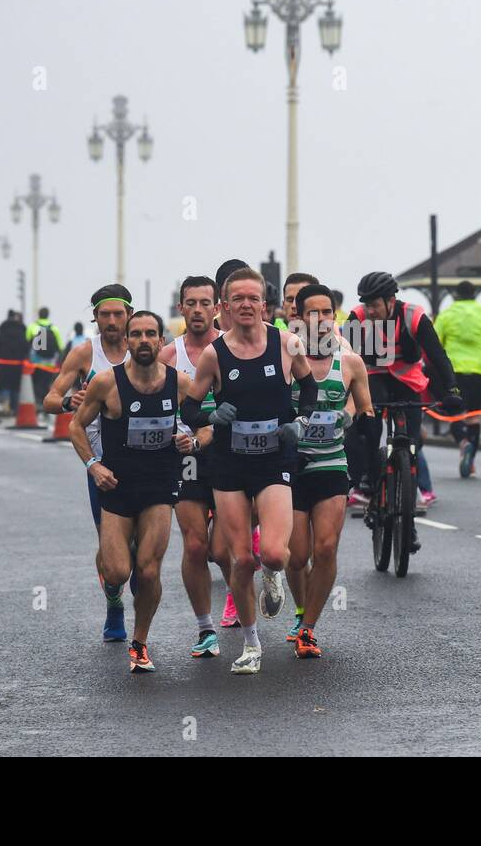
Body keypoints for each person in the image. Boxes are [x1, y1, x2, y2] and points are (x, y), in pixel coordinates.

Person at [179, 267, 319, 675]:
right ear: (225, 306)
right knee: (240, 561)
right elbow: (189, 407)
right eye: (236, 298)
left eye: (252, 298)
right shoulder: (214, 354)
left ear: (264, 305)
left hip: (274, 459)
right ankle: (252, 644)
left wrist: (302, 423)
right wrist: (211, 414)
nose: (244, 305)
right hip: (229, 465)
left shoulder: (287, 344)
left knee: (275, 552)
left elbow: (308, 390)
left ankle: (274, 577)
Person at [70, 311, 192, 673]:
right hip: (118, 486)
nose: (142, 341)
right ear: (126, 341)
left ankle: (139, 642)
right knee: (118, 571)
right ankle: (114, 599)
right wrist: (94, 465)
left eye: (149, 334)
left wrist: (192, 440)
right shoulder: (107, 383)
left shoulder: (180, 383)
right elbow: (76, 428)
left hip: (160, 485)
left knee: (149, 571)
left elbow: (205, 424)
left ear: (160, 341)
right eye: (135, 334)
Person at [284, 284, 373, 657]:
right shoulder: (287, 357)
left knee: (325, 548)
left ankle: (308, 628)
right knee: (296, 555)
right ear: (300, 317)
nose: (320, 320)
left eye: (326, 312)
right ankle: (302, 607)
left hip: (331, 463)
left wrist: (351, 419)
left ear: (334, 316)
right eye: (312, 313)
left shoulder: (350, 362)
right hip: (291, 465)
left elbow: (366, 410)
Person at [44, 284, 133, 641]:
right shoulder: (84, 353)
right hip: (100, 459)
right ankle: (114, 603)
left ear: (129, 314)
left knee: (142, 549)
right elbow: (50, 398)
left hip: (142, 456)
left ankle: (137, 592)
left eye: (118, 314)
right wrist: (69, 402)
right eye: (104, 315)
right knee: (111, 547)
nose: (112, 321)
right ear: (94, 317)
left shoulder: (145, 348)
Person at [157, 275, 232, 657]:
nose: (199, 310)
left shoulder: (232, 348)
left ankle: (245, 599)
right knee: (196, 545)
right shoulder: (169, 357)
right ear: (181, 308)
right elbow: (151, 403)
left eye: (206, 303)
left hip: (230, 456)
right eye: (191, 303)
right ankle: (206, 629)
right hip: (186, 459)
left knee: (225, 549)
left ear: (218, 308)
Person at [346, 272, 461, 511]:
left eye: (376, 305)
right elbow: (343, 358)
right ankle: (368, 480)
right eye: (368, 305)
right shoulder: (358, 317)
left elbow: (438, 356)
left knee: (413, 439)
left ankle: (412, 484)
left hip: (407, 378)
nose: (371, 311)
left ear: (391, 301)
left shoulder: (413, 315)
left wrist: (452, 390)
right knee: (369, 424)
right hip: (373, 375)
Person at [434, 280, 481, 478]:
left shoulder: (447, 314)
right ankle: (472, 461)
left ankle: (462, 442)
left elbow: (435, 339)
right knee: (475, 415)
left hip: (454, 369)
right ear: (475, 293)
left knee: (455, 412)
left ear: (456, 295)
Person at [26, 307, 63, 413]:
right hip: (50, 362)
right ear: (48, 315)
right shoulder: (53, 328)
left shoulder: (33, 327)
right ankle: (46, 403)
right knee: (46, 382)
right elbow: (60, 346)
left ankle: (37, 403)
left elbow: (27, 342)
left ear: (39, 315)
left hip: (36, 362)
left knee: (36, 382)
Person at [0, 310, 29, 412]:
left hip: (4, 362)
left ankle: (5, 403)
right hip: (18, 362)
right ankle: (15, 405)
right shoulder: (21, 330)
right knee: (15, 384)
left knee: (4, 383)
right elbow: (25, 346)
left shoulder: (3, 330)